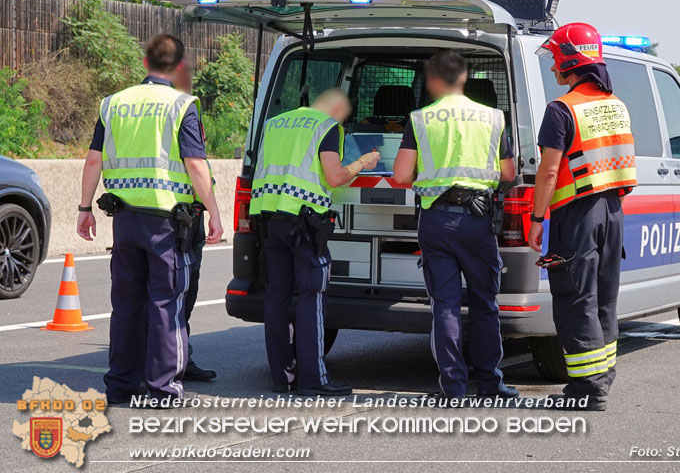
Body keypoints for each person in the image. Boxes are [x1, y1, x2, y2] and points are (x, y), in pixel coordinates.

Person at [77, 34, 223, 405]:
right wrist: (215, 210)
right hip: (167, 222)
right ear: (177, 68)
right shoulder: (181, 105)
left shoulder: (114, 104)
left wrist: (84, 208)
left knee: (126, 303)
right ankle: (162, 389)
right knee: (166, 302)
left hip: (124, 219)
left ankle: (121, 385)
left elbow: (94, 159)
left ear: (145, 64)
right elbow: (194, 164)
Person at [394, 50, 517, 400]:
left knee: (444, 305)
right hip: (478, 221)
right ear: (463, 77)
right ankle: (491, 384)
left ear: (433, 81)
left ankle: (453, 388)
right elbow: (507, 173)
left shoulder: (420, 118)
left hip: (435, 220)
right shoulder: (494, 118)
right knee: (485, 303)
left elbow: (402, 175)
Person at [529, 22, 637, 411]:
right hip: (612, 211)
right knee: (604, 297)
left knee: (576, 299)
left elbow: (549, 171)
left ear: (568, 60)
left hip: (576, 215)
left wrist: (537, 218)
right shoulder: (616, 105)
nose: (553, 66)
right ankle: (601, 379)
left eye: (556, 58)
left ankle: (588, 391)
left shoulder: (561, 110)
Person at [251, 88, 379, 396]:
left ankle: (282, 377)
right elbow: (334, 177)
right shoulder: (326, 127)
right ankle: (313, 379)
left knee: (277, 299)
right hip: (305, 225)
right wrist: (362, 162)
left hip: (270, 219)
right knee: (311, 298)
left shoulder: (274, 123)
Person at [172, 56, 217, 382]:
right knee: (172, 292)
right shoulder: (174, 109)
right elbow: (193, 163)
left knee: (188, 290)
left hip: (192, 212)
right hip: (177, 215)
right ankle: (168, 361)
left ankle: (181, 356)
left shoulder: (189, 108)